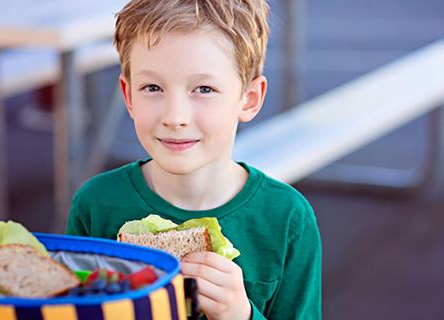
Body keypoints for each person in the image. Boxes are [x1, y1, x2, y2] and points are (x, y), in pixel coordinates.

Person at [67, 0, 321, 319]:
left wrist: (240, 314)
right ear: (128, 95)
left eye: (203, 88)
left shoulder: (286, 219)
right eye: (152, 87)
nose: (175, 117)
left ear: (249, 99)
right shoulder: (96, 205)